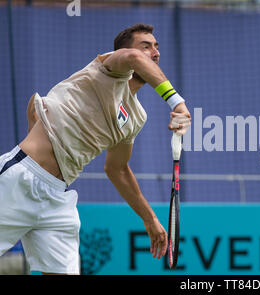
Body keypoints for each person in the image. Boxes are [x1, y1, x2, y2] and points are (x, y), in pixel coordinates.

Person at [0, 23, 191, 275]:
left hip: (57, 198)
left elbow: (117, 169)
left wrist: (149, 218)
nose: (154, 53)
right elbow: (133, 58)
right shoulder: (107, 70)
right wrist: (176, 102)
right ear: (121, 54)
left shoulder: (136, 116)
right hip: (20, 181)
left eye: (156, 47)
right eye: (146, 47)